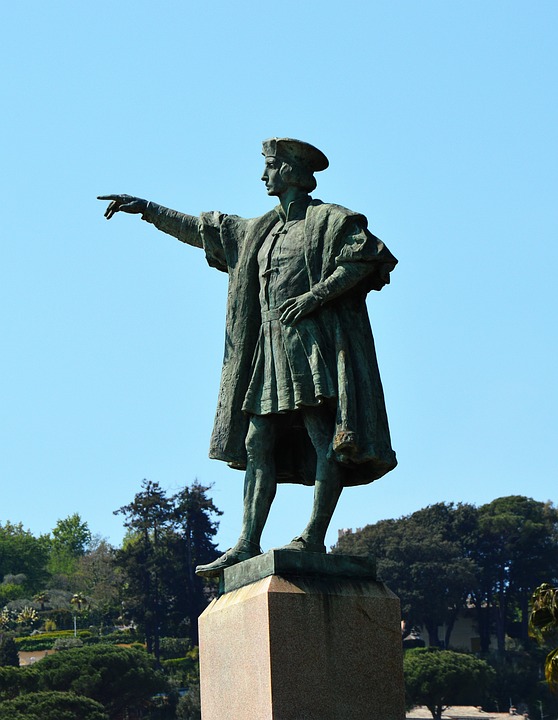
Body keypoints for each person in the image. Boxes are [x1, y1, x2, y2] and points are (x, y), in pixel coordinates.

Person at [98, 137, 397, 576]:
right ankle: (246, 543)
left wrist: (315, 296)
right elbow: (203, 230)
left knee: (323, 436)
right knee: (257, 441)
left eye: (270, 166)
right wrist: (147, 209)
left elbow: (365, 259)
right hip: (270, 346)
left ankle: (313, 535)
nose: (263, 175)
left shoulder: (330, 219)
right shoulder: (260, 229)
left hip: (311, 343)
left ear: (290, 170)